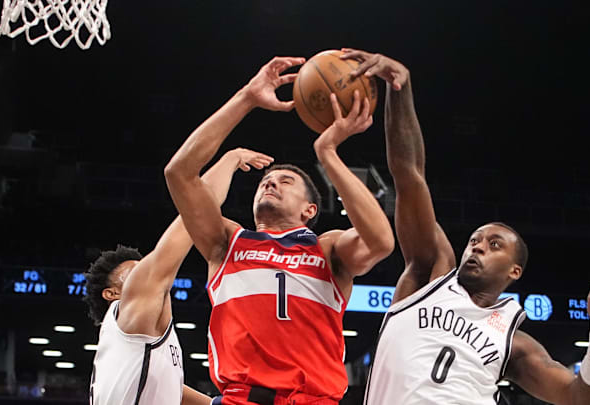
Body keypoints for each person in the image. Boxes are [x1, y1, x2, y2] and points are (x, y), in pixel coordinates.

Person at [340, 48, 590, 405]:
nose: (478, 246)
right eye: (475, 240)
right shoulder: (428, 274)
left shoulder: (514, 340)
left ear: (515, 270)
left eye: (494, 244)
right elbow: (409, 175)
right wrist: (399, 88)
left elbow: (580, 397)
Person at [163, 56, 395, 405]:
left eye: (285, 181)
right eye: (265, 181)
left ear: (310, 209)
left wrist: (328, 153)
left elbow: (381, 241)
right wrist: (247, 98)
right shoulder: (227, 242)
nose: (270, 184)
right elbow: (179, 173)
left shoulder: (327, 248)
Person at [85, 148, 273, 405]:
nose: (145, 271)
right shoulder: (131, 311)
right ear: (112, 293)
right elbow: (193, 214)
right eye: (135, 271)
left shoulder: (129, 345)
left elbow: (168, 386)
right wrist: (231, 159)